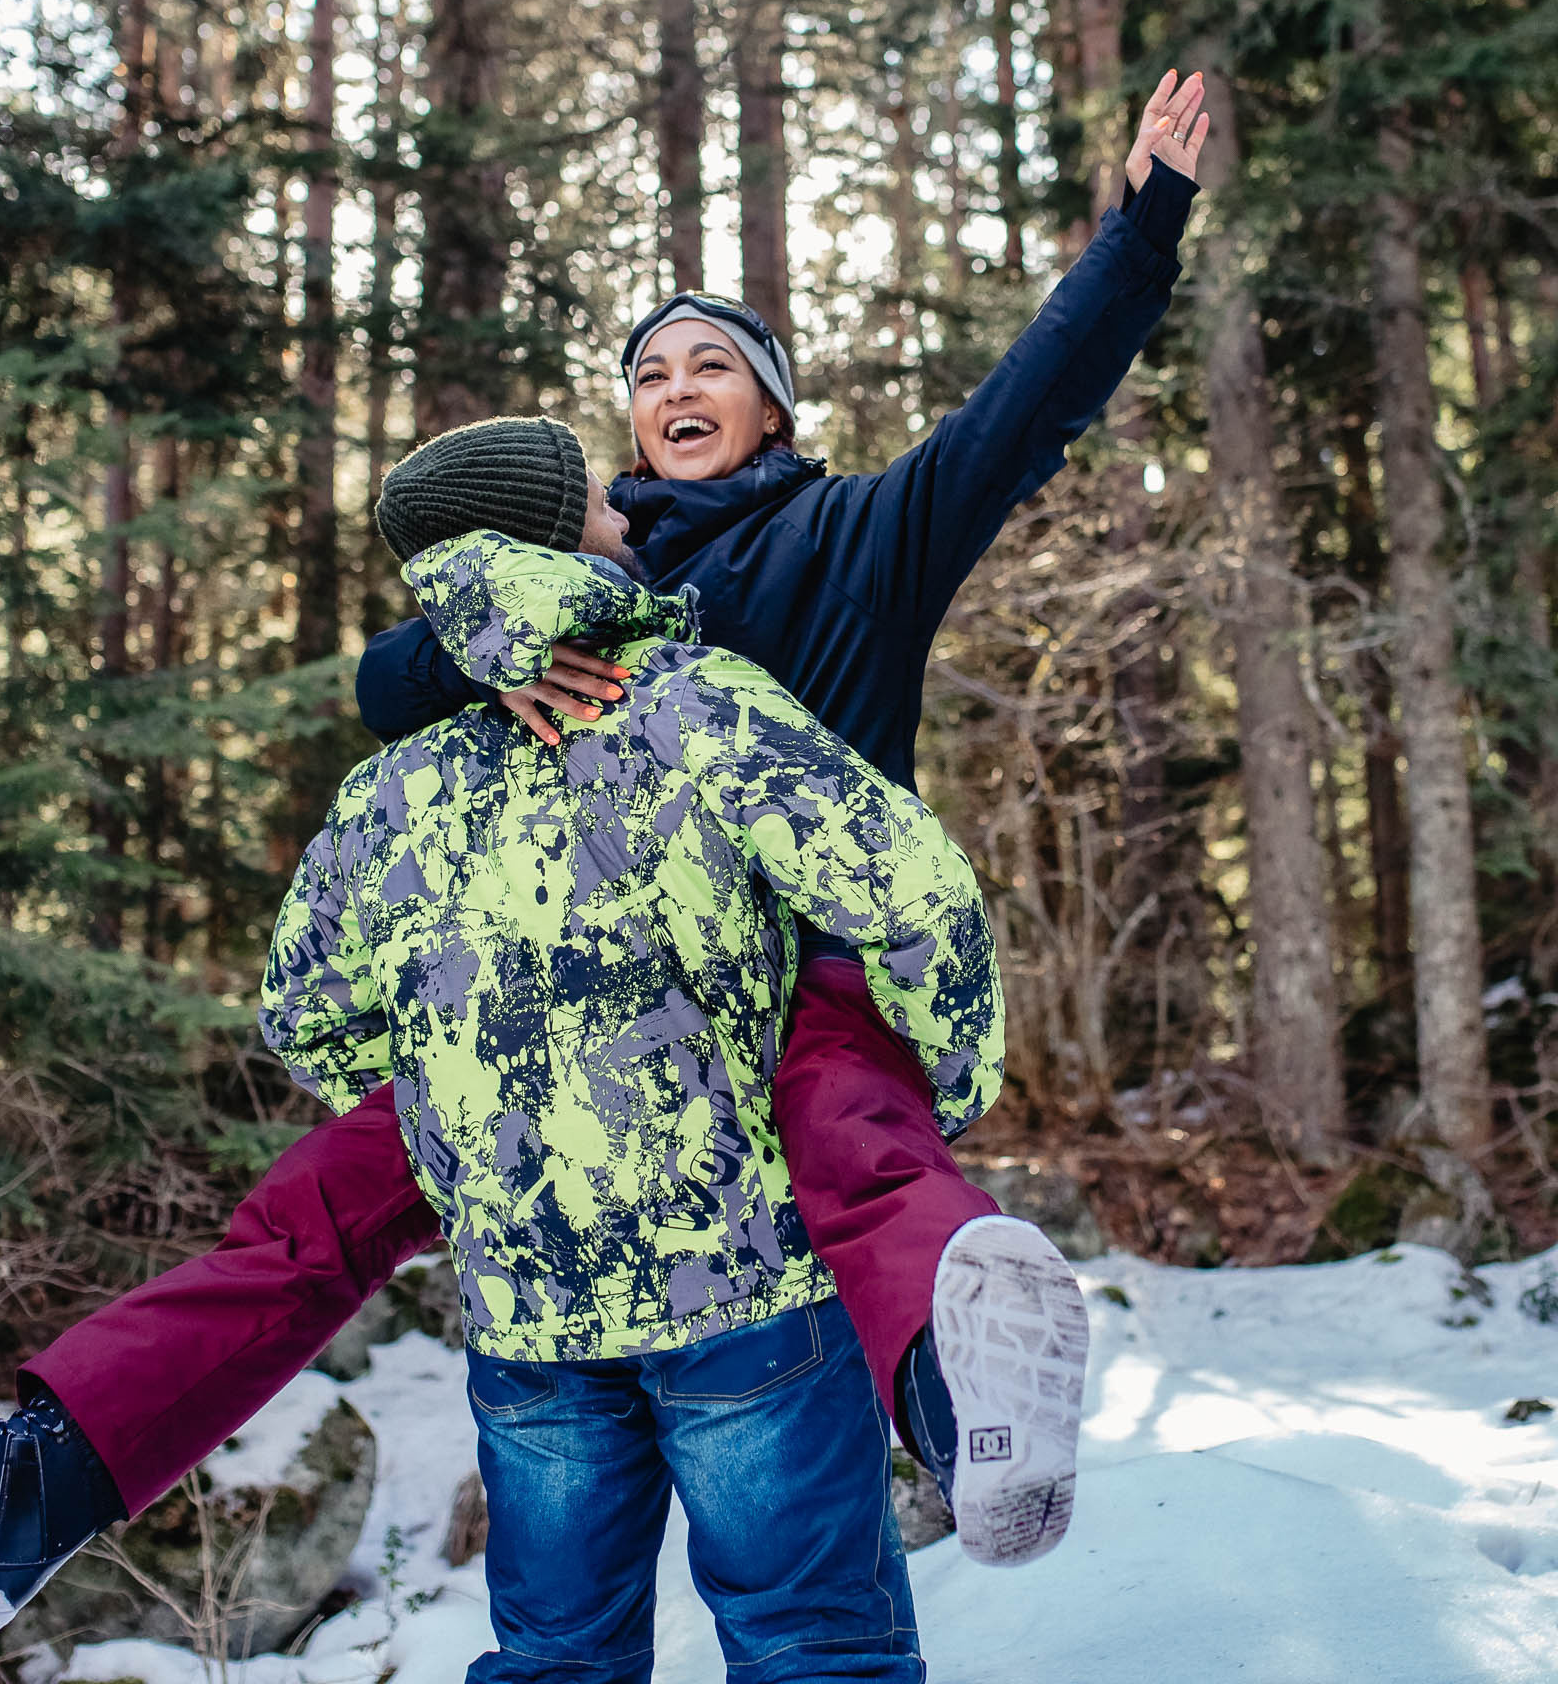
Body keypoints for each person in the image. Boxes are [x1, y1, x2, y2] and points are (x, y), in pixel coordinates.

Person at [0, 71, 1207, 1627]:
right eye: (648, 369)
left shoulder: (854, 540)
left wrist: (1144, 224)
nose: (673, 384)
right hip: (557, 1022)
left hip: (787, 973)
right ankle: (38, 1478)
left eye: (712, 363)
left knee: (858, 1135)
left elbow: (1034, 400)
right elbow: (381, 680)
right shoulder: (549, 583)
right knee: (311, 1213)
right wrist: (465, 658)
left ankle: (965, 1410)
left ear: (771, 408)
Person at [259, 436, 1029, 1681]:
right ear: (557, 525)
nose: (626, 503)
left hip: (526, 1306)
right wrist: (943, 1078)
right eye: (595, 490)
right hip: (742, 1282)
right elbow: (912, 888)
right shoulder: (687, 696)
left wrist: (469, 1125)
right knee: (813, 1648)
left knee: (557, 1658)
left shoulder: (390, 783)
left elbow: (304, 1013)